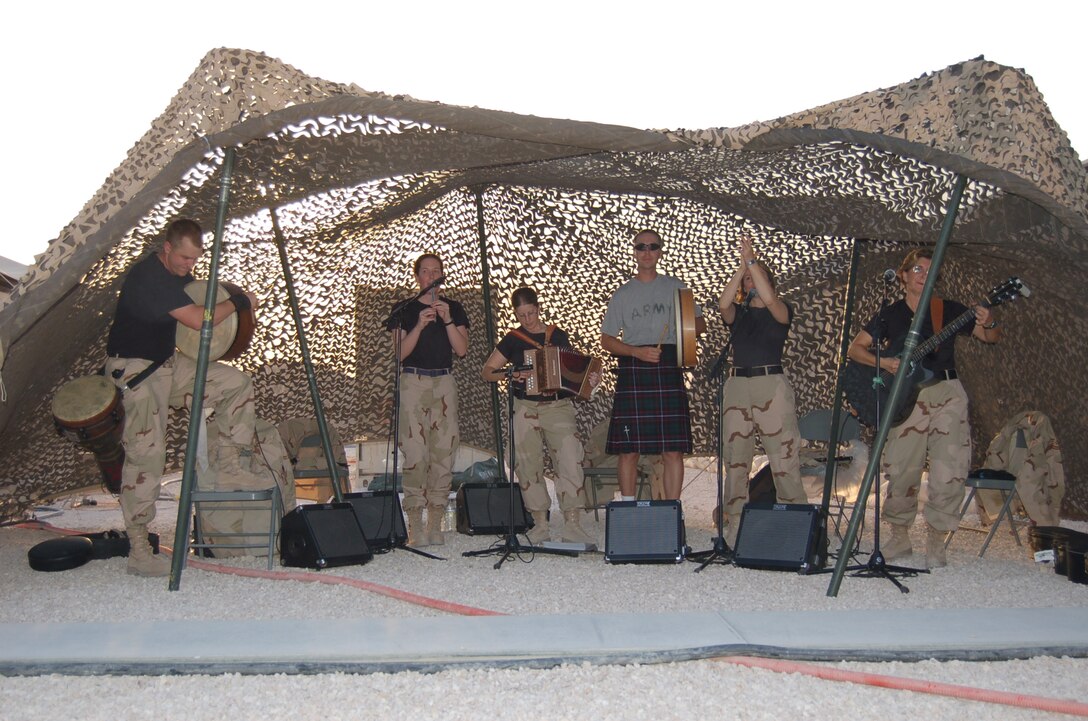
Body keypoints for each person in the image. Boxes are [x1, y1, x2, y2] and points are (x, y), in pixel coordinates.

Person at [105, 218, 260, 577]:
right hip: (136, 371)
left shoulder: (180, 277)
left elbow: (204, 299)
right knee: (147, 455)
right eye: (184, 258)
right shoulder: (150, 276)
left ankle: (230, 467)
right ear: (168, 247)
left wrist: (237, 307)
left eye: (195, 260)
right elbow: (201, 319)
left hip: (167, 365)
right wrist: (238, 302)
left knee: (235, 383)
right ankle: (140, 551)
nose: (189, 266)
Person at [847, 248, 1001, 568]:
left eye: (929, 271)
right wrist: (886, 362)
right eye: (917, 269)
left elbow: (990, 337)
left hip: (947, 392)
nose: (922, 275)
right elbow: (855, 349)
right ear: (904, 275)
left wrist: (990, 320)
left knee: (950, 468)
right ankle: (900, 536)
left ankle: (937, 538)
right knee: (902, 469)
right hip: (906, 398)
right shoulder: (889, 314)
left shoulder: (948, 310)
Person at [481, 287, 595, 545]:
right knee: (526, 463)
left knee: (569, 459)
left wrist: (591, 378)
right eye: (521, 315)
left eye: (531, 313)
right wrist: (511, 374)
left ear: (538, 307)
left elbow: (575, 371)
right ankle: (540, 523)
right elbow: (487, 371)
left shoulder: (558, 335)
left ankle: (573, 523)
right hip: (526, 407)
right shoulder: (512, 339)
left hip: (557, 406)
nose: (528, 320)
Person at [600, 229, 705, 502]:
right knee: (629, 449)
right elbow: (607, 340)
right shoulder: (622, 294)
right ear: (634, 252)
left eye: (653, 246)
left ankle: (673, 509)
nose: (647, 251)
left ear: (660, 251)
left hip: (668, 366)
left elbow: (700, 323)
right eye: (641, 247)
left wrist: (686, 326)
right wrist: (636, 352)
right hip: (633, 370)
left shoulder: (677, 287)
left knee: (672, 449)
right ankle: (627, 510)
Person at [717, 234, 807, 547]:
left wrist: (752, 262)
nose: (750, 281)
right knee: (736, 459)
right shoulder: (738, 316)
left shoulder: (780, 309)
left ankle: (794, 523)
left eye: (756, 276)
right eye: (746, 279)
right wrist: (741, 268)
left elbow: (769, 300)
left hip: (772, 386)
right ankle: (736, 524)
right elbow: (723, 304)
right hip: (738, 386)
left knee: (783, 457)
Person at [388, 253, 469, 547]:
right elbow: (399, 354)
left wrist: (447, 320)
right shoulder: (404, 309)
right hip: (413, 381)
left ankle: (435, 522)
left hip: (444, 382)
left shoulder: (455, 308)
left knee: (443, 453)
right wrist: (419, 326)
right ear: (417, 276)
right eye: (426, 271)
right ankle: (415, 525)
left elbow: (461, 350)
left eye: (437, 271)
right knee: (415, 453)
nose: (432, 276)